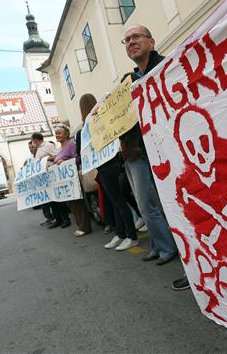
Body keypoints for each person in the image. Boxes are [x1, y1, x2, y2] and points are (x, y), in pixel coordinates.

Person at [119, 25, 179, 266]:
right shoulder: (128, 81)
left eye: (136, 37)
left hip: (165, 146)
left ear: (151, 43)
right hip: (137, 149)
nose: (131, 42)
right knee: (146, 204)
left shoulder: (166, 66)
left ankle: (167, 248)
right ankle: (157, 244)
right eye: (126, 40)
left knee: (154, 203)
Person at [80, 93, 138, 251]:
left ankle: (131, 236)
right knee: (115, 202)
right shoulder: (92, 121)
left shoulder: (95, 119)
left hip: (107, 165)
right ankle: (121, 234)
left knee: (118, 201)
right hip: (106, 165)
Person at [53, 124, 91, 236]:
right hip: (66, 181)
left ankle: (85, 227)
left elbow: (79, 158)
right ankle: (80, 226)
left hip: (73, 179)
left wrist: (64, 163)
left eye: (59, 133)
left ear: (66, 134)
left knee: (78, 203)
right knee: (72, 204)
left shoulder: (71, 145)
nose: (57, 135)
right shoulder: (61, 148)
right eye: (56, 133)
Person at [31, 132, 59, 227]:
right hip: (43, 177)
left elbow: (56, 156)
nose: (33, 143)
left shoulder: (48, 145)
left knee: (55, 199)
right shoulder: (38, 149)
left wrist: (45, 160)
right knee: (50, 199)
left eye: (33, 141)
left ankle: (62, 219)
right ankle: (56, 219)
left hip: (51, 175)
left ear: (35, 140)